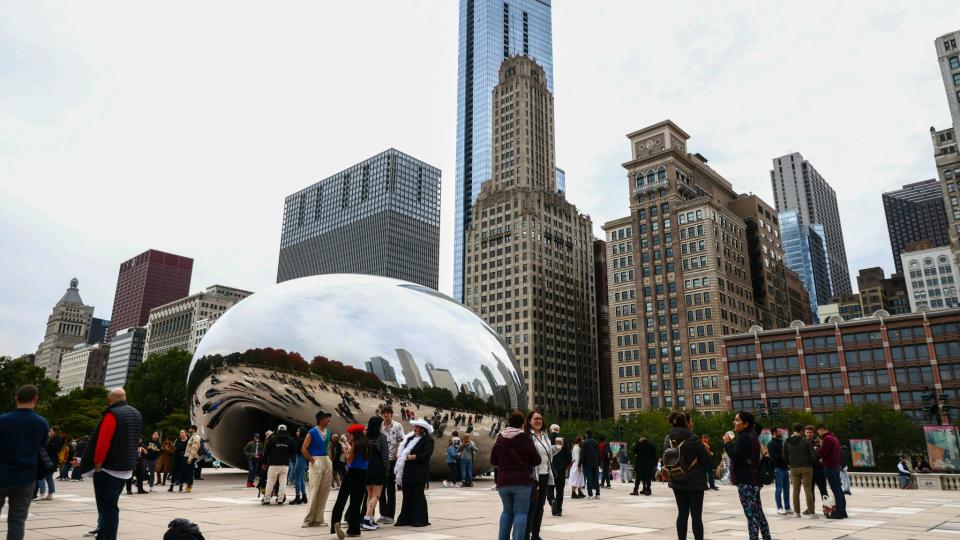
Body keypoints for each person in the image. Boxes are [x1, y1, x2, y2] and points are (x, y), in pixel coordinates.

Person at [80, 388, 143, 540]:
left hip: (109, 468)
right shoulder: (136, 414)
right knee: (111, 504)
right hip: (126, 467)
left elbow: (103, 441)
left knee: (107, 508)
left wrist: (97, 464)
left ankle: (107, 537)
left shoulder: (112, 414)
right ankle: (102, 535)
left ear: (111, 400)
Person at [0, 385, 49, 540]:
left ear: (16, 398)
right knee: (17, 521)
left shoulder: (2, 420)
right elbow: (42, 447)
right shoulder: (41, 423)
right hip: (25, 477)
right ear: (36, 400)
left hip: (1, 474)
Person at [490, 411, 540, 540]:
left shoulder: (500, 438)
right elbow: (536, 460)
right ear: (522, 424)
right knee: (521, 512)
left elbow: (493, 461)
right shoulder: (525, 439)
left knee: (507, 511)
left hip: (503, 483)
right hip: (522, 482)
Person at [723, 412, 771, 540]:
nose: (734, 422)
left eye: (737, 420)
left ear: (746, 424)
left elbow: (735, 455)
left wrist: (727, 443)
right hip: (753, 479)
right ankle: (766, 536)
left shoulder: (744, 437)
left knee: (751, 514)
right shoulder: (752, 435)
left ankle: (753, 537)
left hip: (746, 480)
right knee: (758, 512)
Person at [665, 411, 710, 540]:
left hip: (677, 479)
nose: (692, 423)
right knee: (696, 515)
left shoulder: (668, 438)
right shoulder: (694, 438)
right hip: (695, 482)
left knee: (682, 514)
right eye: (691, 421)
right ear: (687, 423)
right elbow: (706, 460)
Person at [394, 418, 434, 528]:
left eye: (417, 427)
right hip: (407, 471)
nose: (414, 429)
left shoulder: (428, 440)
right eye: (414, 427)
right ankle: (406, 518)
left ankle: (419, 519)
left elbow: (426, 455)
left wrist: (413, 457)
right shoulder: (410, 438)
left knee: (418, 495)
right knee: (407, 495)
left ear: (422, 429)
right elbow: (403, 449)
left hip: (419, 472)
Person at [331, 424, 368, 538]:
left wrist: (346, 451)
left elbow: (349, 460)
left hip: (352, 474)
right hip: (363, 475)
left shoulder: (356, 444)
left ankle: (336, 522)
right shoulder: (368, 444)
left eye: (351, 435)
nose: (350, 437)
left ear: (355, 434)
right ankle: (354, 529)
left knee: (341, 499)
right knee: (356, 503)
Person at [301, 410, 334, 528]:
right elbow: (304, 449)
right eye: (326, 418)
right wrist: (313, 461)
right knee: (314, 489)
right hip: (316, 460)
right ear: (320, 419)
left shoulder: (329, 432)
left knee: (324, 491)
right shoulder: (312, 432)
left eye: (329, 418)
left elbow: (328, 446)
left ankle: (319, 519)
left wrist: (329, 458)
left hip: (326, 460)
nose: (329, 420)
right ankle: (308, 519)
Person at [525, 410, 554, 540]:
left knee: (540, 506)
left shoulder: (545, 435)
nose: (538, 421)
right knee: (532, 506)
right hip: (533, 476)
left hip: (545, 475)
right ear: (530, 421)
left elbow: (546, 453)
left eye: (540, 419)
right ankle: (526, 534)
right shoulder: (527, 436)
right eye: (535, 419)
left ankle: (535, 534)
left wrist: (555, 449)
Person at [377, 406, 404, 525]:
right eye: (384, 413)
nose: (386, 415)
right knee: (380, 488)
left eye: (388, 413)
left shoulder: (397, 425)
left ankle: (390, 515)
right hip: (381, 460)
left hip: (392, 460)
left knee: (390, 488)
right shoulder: (380, 426)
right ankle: (383, 514)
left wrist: (396, 453)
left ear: (391, 414)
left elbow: (401, 441)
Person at [783, 423, 816, 518]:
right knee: (808, 490)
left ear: (793, 430)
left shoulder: (787, 441)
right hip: (806, 467)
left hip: (793, 467)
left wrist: (789, 464)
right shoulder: (805, 441)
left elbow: (784, 456)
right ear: (802, 431)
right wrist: (811, 463)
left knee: (795, 490)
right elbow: (813, 455)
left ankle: (796, 513)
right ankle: (811, 513)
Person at [363, 416, 389, 531]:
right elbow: (385, 455)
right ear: (379, 425)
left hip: (367, 467)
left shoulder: (365, 437)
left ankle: (370, 519)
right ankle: (367, 519)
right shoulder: (382, 437)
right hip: (378, 467)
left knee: (369, 494)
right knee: (376, 495)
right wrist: (387, 469)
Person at [816, 424, 847, 519]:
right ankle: (842, 511)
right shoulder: (834, 438)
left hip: (830, 466)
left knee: (836, 489)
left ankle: (839, 512)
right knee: (838, 489)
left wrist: (816, 448)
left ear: (821, 430)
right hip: (836, 465)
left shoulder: (827, 439)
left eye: (818, 432)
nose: (819, 434)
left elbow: (822, 452)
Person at [262, 424, 295, 505]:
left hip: (273, 465)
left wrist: (264, 463)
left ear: (278, 430)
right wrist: (288, 456)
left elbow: (266, 452)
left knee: (270, 482)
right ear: (286, 430)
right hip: (285, 465)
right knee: (283, 483)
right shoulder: (290, 440)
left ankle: (266, 499)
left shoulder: (272, 439)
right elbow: (293, 451)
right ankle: (280, 499)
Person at [767, 428, 790, 515]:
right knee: (779, 489)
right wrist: (785, 456)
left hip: (784, 468)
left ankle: (787, 507)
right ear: (774, 432)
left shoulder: (781, 442)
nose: (781, 433)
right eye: (779, 432)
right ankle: (779, 507)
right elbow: (774, 458)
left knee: (787, 489)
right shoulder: (771, 444)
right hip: (778, 468)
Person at [549, 435, 571, 516]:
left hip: (550, 468)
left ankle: (551, 499)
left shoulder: (547, 438)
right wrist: (565, 466)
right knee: (560, 490)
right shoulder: (563, 440)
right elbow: (569, 456)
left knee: (550, 487)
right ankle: (558, 509)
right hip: (561, 469)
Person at [805, 426, 828, 500]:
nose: (809, 434)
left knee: (823, 489)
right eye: (807, 432)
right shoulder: (803, 442)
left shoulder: (820, 441)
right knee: (810, 490)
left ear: (813, 433)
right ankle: (811, 508)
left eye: (810, 433)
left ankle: (827, 508)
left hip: (819, 468)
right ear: (805, 433)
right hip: (808, 469)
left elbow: (824, 453)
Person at [290, 426, 309, 505]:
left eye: (298, 431)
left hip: (300, 459)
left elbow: (297, 451)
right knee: (301, 479)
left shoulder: (300, 440)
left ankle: (297, 497)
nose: (297, 432)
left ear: (301, 432)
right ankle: (304, 497)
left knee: (297, 479)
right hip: (304, 460)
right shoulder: (305, 440)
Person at [580, 431, 600, 499]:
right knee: (596, 478)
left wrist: (580, 463)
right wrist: (599, 463)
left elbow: (582, 454)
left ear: (586, 434)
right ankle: (597, 493)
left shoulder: (584, 442)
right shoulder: (596, 442)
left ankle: (590, 494)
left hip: (587, 463)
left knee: (589, 478)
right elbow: (598, 453)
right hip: (595, 463)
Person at [182, 425, 202, 493]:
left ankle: (189, 487)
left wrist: (190, 458)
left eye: (190, 428)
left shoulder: (196, 437)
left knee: (189, 472)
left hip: (190, 456)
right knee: (186, 471)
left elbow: (194, 448)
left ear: (193, 429)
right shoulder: (192, 436)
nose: (188, 429)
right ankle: (187, 485)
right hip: (187, 455)